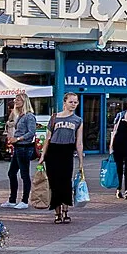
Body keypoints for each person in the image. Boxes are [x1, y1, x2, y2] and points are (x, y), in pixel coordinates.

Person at [42, 92, 83, 223]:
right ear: (64, 102)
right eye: (71, 102)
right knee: (54, 183)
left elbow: (79, 141)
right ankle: (57, 213)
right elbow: (47, 139)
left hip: (67, 151)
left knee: (66, 182)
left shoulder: (78, 120)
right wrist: (42, 156)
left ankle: (66, 211)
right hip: (53, 151)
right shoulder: (54, 117)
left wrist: (81, 161)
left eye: (75, 102)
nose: (73, 105)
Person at [5, 93, 38, 210]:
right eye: (15, 100)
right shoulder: (20, 115)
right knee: (11, 173)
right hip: (18, 147)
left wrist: (18, 138)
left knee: (24, 174)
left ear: (24, 102)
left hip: (25, 147)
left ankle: (24, 200)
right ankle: (12, 199)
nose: (16, 101)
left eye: (18, 100)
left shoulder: (29, 116)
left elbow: (31, 132)